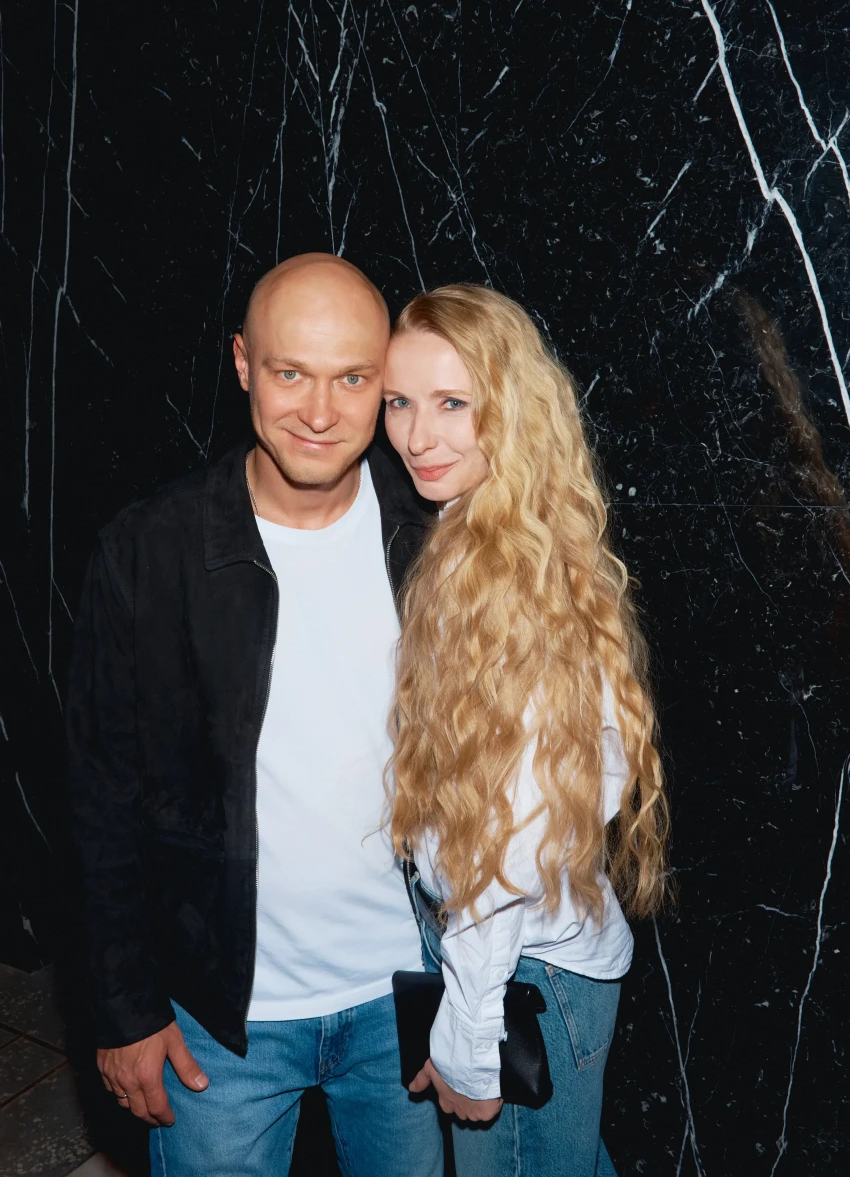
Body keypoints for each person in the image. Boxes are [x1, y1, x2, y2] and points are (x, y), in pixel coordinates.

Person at [65, 253, 443, 1177]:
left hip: (410, 1000)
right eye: (290, 372)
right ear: (242, 363)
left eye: (352, 378)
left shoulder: (437, 534)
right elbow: (98, 796)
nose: (319, 411)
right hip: (217, 1020)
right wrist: (124, 1009)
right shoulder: (150, 550)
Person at [382, 284, 670, 1177]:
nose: (417, 435)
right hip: (530, 959)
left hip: (520, 975)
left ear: (510, 406)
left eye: (452, 402)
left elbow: (506, 842)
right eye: (399, 402)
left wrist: (469, 1034)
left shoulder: (505, 576)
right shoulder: (500, 536)